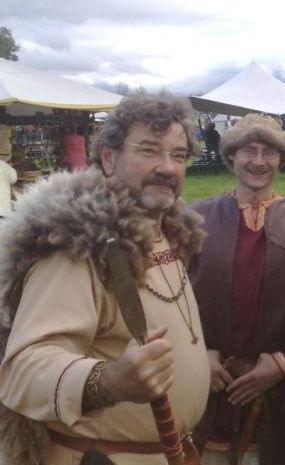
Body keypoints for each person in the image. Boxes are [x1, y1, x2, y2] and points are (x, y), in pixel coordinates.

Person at [0, 94, 209, 465]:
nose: (167, 167)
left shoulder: (170, 235)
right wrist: (108, 381)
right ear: (109, 158)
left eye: (178, 155)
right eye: (149, 150)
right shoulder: (79, 246)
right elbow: (24, 369)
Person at [189, 114, 285, 465]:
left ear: (282, 159)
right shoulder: (193, 220)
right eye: (248, 151)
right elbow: (173, 301)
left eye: (269, 152)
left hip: (272, 398)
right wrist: (197, 354)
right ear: (231, 156)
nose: (258, 161)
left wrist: (282, 365)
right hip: (206, 391)